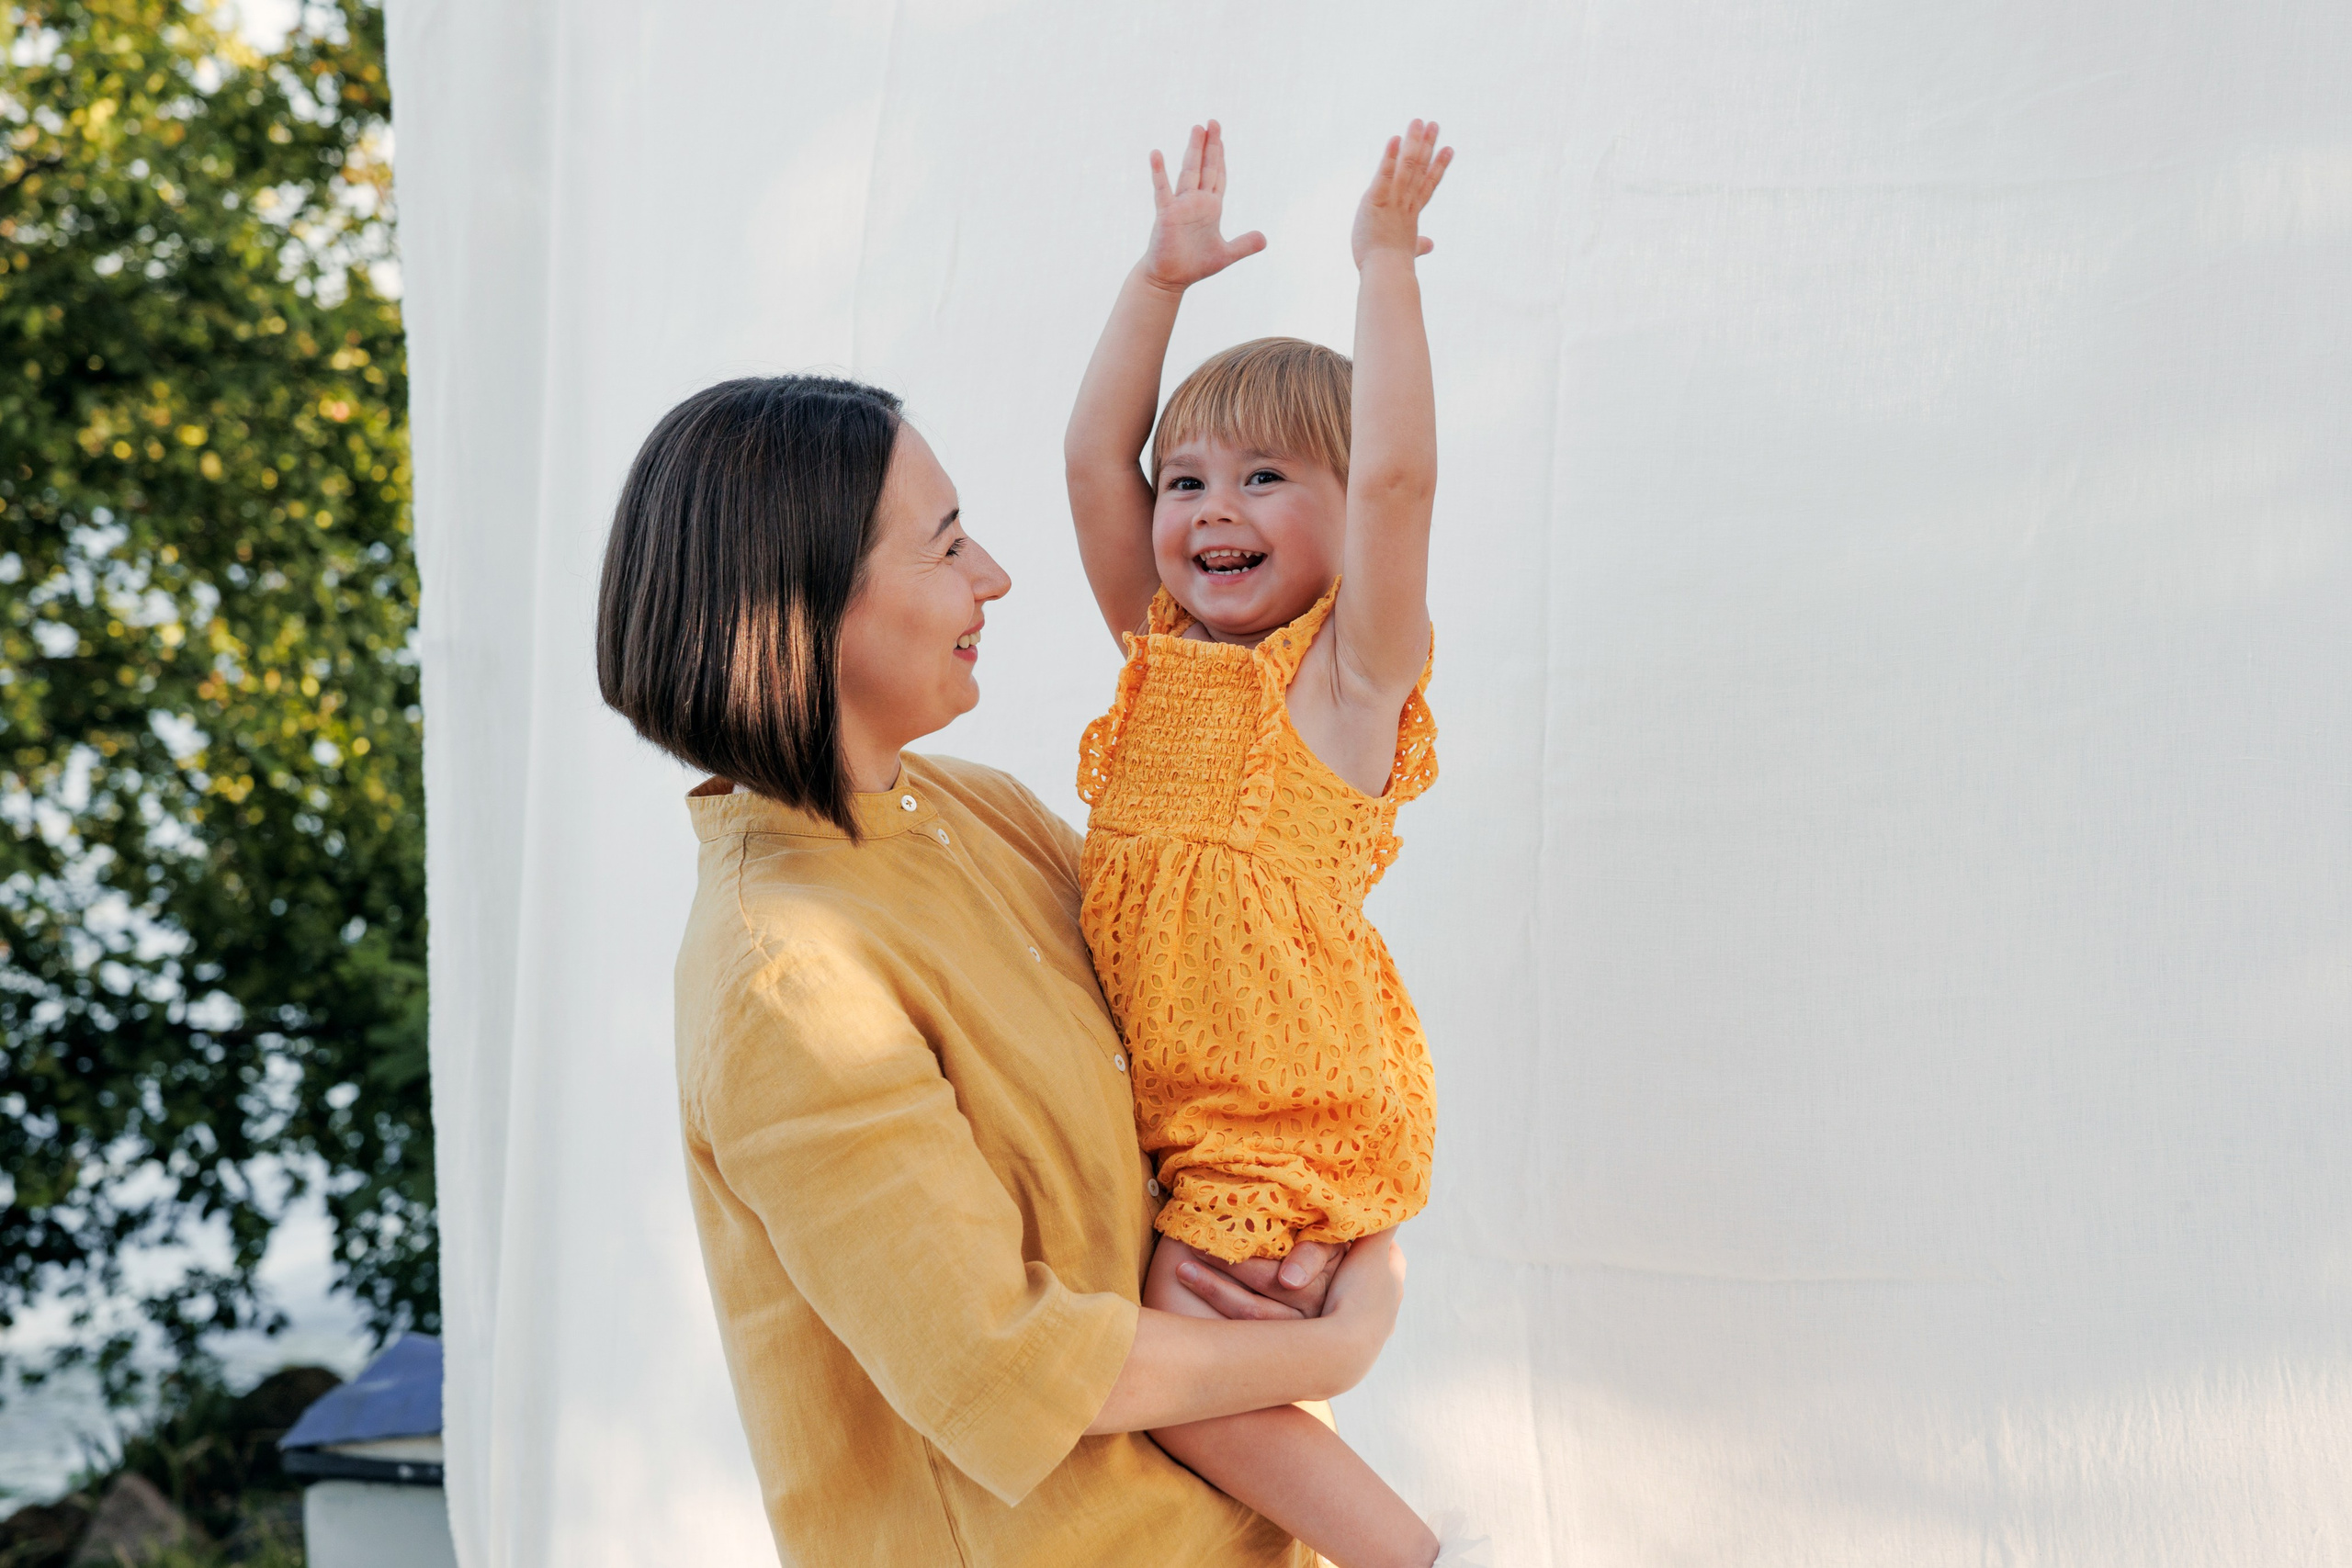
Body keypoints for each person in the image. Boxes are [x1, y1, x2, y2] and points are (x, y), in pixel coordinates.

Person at [595, 373, 1410, 1566]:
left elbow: (1216, 1044)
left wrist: (1357, 1217)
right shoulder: (786, 983)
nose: (995, 575)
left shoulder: (983, 813)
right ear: (803, 606)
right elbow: (1006, 1364)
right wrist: (1343, 1341)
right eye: (945, 546)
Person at [1063, 119, 1454, 1568]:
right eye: (1193, 482)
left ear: (1353, 525)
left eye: (1267, 479)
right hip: (1190, 1115)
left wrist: (1387, 265)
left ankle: (1421, 1557)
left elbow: (1406, 478)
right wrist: (1159, 282)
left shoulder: (1348, 686)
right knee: (1199, 1386)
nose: (1211, 508)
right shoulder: (1159, 657)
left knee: (1182, 1390)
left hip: (1285, 1110)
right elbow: (1095, 459)